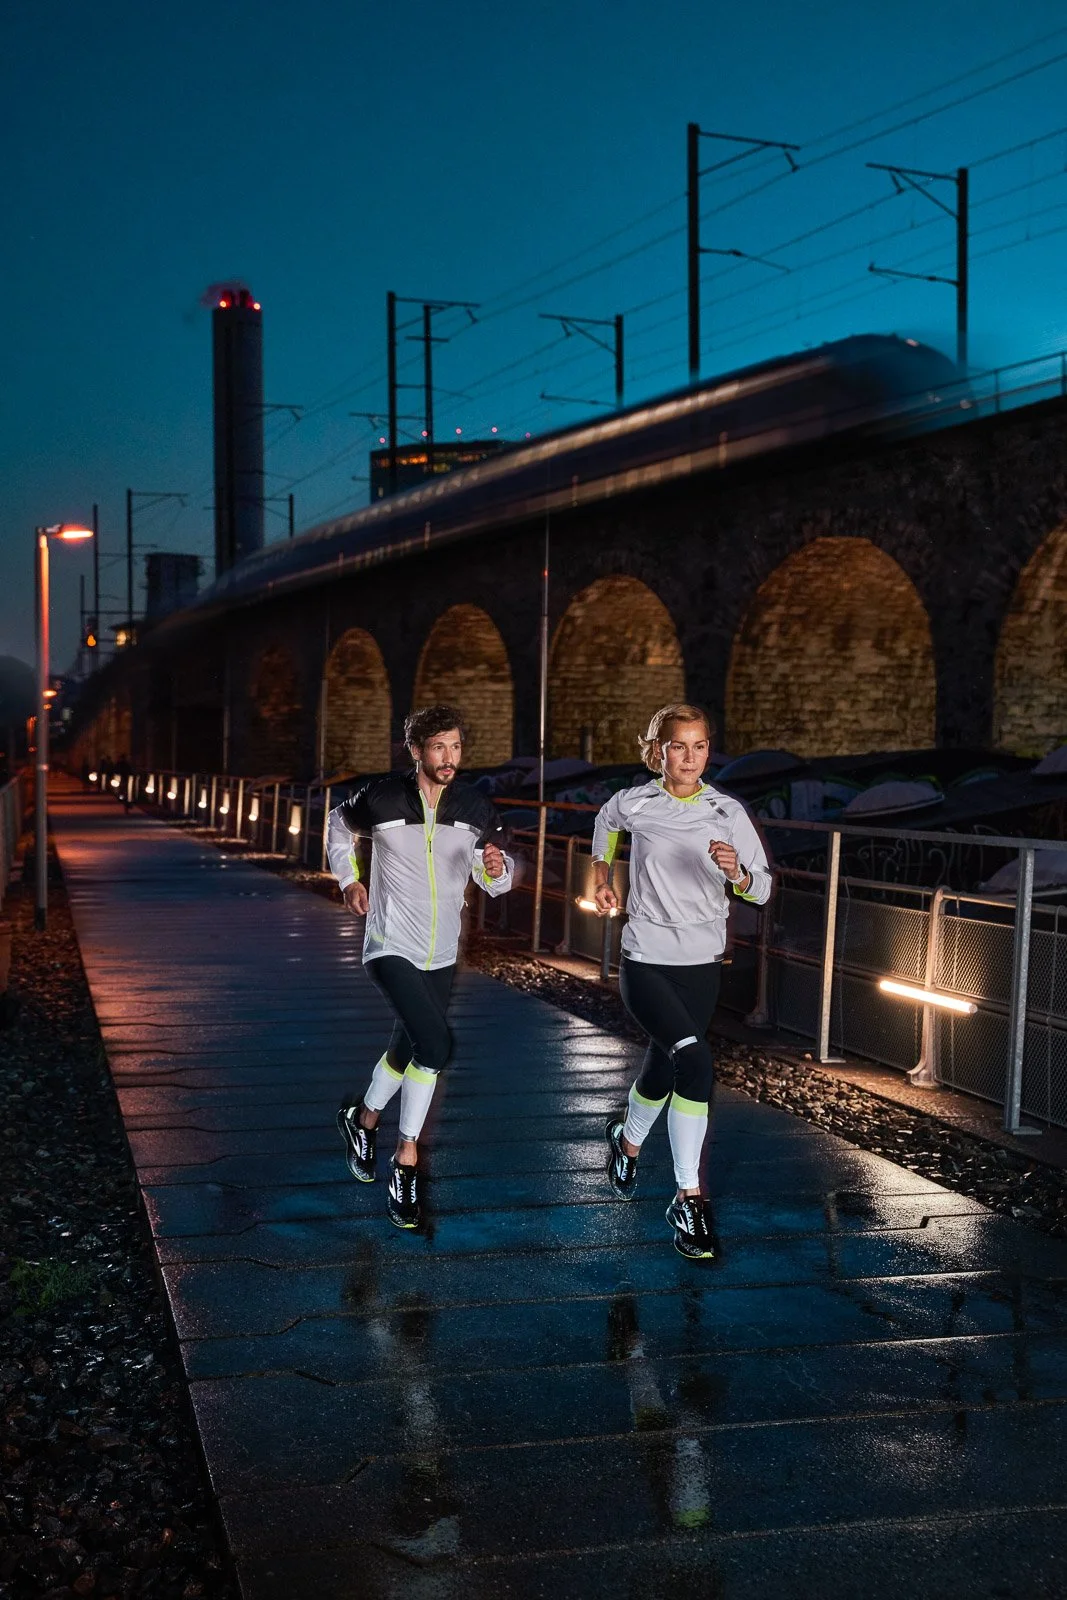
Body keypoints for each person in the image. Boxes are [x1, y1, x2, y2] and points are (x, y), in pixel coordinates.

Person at [591, 702, 772, 1261]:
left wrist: (736, 873)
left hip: (701, 962)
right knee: (693, 1060)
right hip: (645, 958)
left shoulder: (727, 811)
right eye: (677, 746)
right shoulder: (636, 801)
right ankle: (688, 1196)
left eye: (698, 746)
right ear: (658, 751)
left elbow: (761, 889)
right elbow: (604, 822)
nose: (689, 757)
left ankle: (626, 1142)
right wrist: (601, 872)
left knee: (665, 1063)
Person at [326, 704, 513, 1230]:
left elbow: (494, 872)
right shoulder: (381, 797)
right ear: (415, 751)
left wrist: (497, 869)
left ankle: (361, 1121)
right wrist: (349, 878)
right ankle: (405, 1160)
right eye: (438, 748)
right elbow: (338, 827)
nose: (448, 757)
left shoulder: (476, 807)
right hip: (389, 943)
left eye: (455, 747)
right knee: (434, 1046)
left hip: (443, 951)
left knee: (406, 1045)